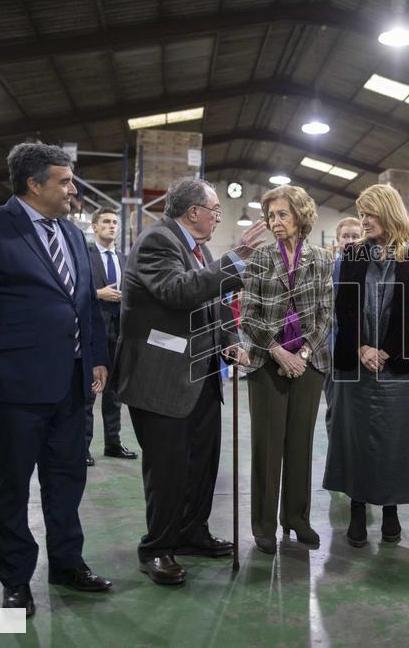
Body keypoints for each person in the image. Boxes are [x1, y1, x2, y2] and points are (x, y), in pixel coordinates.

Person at [0, 142, 113, 617]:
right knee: (13, 486)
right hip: (10, 385)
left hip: (69, 385)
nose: (73, 189)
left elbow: (86, 303)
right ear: (34, 184)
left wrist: (96, 356)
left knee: (67, 481)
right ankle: (15, 578)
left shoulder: (74, 236)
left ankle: (67, 563)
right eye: (64, 180)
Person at [112, 178, 265, 585]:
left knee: (201, 464)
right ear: (193, 211)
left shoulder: (200, 249)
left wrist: (232, 341)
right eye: (215, 210)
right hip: (162, 377)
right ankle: (158, 548)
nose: (218, 217)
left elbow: (212, 306)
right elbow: (177, 292)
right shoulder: (157, 242)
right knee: (167, 471)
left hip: (201, 375)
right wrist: (236, 259)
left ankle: (192, 533)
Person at [323, 184, 409, 547]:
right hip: (355, 363)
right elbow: (345, 306)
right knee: (354, 437)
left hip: (399, 365)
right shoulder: (353, 254)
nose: (364, 220)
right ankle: (357, 508)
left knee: (395, 441)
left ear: (388, 213)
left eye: (370, 214)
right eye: (362, 213)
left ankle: (390, 511)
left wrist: (385, 350)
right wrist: (361, 347)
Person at [239, 185, 333, 555]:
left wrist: (305, 353)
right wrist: (279, 352)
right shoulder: (260, 258)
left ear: (300, 216)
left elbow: (326, 314)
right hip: (267, 362)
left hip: (308, 364)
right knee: (267, 445)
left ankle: (296, 517)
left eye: (282, 214)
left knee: (299, 444)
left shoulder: (321, 258)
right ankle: (263, 525)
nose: (274, 222)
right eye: (270, 216)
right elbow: (249, 316)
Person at [85, 207, 136, 465]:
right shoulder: (85, 255)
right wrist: (97, 293)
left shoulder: (126, 260)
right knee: (89, 392)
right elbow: (74, 290)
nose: (112, 226)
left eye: (115, 222)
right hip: (93, 333)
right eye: (106, 221)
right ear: (95, 226)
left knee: (115, 393)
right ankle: (82, 448)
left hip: (120, 333)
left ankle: (113, 444)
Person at [324, 216, 363, 432]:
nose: (350, 241)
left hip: (362, 350)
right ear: (338, 240)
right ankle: (337, 460)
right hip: (334, 347)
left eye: (355, 236)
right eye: (346, 236)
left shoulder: (370, 269)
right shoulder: (330, 268)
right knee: (336, 407)